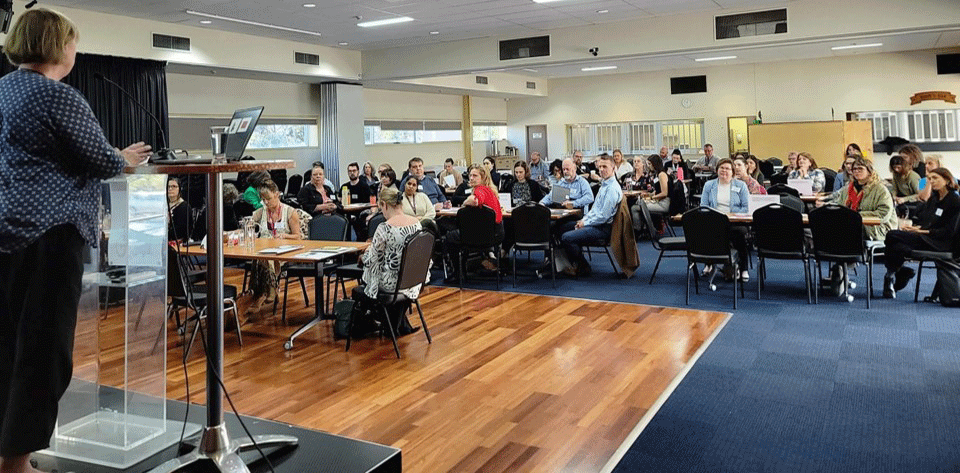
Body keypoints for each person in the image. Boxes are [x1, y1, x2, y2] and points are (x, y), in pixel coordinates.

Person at [0, 9, 152, 473]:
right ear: (56, 45)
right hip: (50, 237)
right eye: (73, 42)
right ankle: (18, 461)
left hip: (8, 234)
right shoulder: (57, 97)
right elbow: (102, 160)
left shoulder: (4, 90)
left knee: (7, 347)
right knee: (44, 353)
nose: (75, 51)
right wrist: (123, 156)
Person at [351, 185, 423, 336]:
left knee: (365, 280)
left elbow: (372, 259)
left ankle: (373, 323)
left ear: (384, 204)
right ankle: (396, 324)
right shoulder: (417, 223)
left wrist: (363, 256)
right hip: (413, 280)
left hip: (392, 284)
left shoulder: (385, 227)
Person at [882, 168, 960, 299]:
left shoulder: (955, 200)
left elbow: (949, 231)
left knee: (892, 235)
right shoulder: (934, 198)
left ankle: (894, 273)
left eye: (935, 178)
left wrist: (920, 231)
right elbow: (927, 221)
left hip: (942, 243)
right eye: (930, 179)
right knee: (897, 246)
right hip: (927, 237)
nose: (931, 181)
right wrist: (915, 228)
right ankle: (898, 273)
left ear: (947, 180)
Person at [557, 154, 623, 277]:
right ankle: (564, 262)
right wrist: (584, 220)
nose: (601, 169)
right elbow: (595, 210)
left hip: (602, 228)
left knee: (566, 237)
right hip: (595, 222)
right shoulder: (605, 184)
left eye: (605, 167)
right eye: (600, 167)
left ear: (613, 168)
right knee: (560, 228)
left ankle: (583, 267)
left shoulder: (612, 189)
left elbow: (603, 216)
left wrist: (584, 223)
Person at [246, 180, 302, 319]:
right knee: (261, 257)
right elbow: (248, 224)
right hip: (266, 251)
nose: (266, 203)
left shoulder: (290, 212)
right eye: (263, 200)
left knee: (265, 258)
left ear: (277, 194)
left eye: (268, 199)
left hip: (286, 251)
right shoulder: (261, 212)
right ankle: (268, 290)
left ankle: (260, 295)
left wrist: (285, 236)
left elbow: (298, 237)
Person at [444, 164, 504, 278]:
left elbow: (475, 201)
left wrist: (464, 203)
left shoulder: (480, 190)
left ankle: (458, 273)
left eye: (475, 176)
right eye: (470, 175)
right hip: (494, 234)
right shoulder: (490, 191)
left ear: (483, 178)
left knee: (450, 236)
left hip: (484, 234)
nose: (471, 178)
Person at [700, 158, 751, 281]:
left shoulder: (741, 185)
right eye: (721, 168)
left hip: (735, 221)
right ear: (717, 170)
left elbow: (746, 207)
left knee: (740, 233)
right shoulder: (709, 185)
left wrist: (730, 214)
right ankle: (709, 263)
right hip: (714, 220)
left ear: (732, 172)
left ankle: (743, 268)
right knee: (705, 231)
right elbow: (703, 206)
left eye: (727, 168)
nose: (724, 171)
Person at [167, 177, 191, 243]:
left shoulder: (184, 207)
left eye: (174, 186)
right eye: (168, 186)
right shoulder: (164, 205)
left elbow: (181, 231)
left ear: (179, 189)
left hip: (177, 242)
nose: (170, 189)